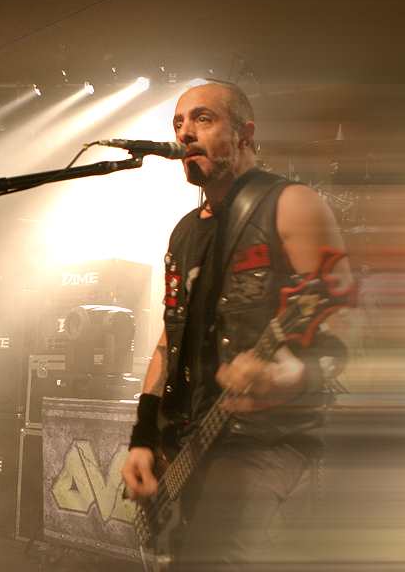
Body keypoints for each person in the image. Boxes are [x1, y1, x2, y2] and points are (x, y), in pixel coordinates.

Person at [121, 81, 352, 570]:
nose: (185, 133)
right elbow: (168, 340)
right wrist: (143, 436)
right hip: (191, 438)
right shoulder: (185, 232)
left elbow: (347, 325)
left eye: (203, 119)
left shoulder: (291, 204)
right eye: (178, 123)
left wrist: (293, 373)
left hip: (263, 437)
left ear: (245, 133)